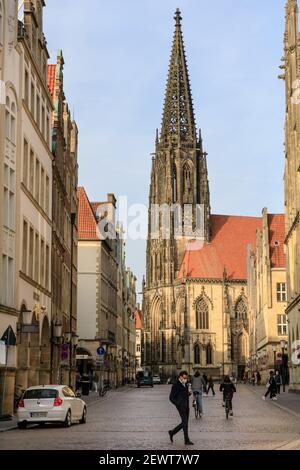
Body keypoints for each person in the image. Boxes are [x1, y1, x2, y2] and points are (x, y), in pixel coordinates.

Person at [168, 370, 194, 445]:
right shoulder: (176, 385)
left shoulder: (187, 384)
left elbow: (186, 394)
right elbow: (171, 397)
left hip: (186, 405)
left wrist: (189, 393)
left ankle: (172, 432)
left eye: (186, 378)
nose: (185, 379)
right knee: (185, 422)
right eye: (184, 378)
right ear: (180, 377)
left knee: (185, 423)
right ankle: (186, 440)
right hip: (180, 406)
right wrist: (177, 404)